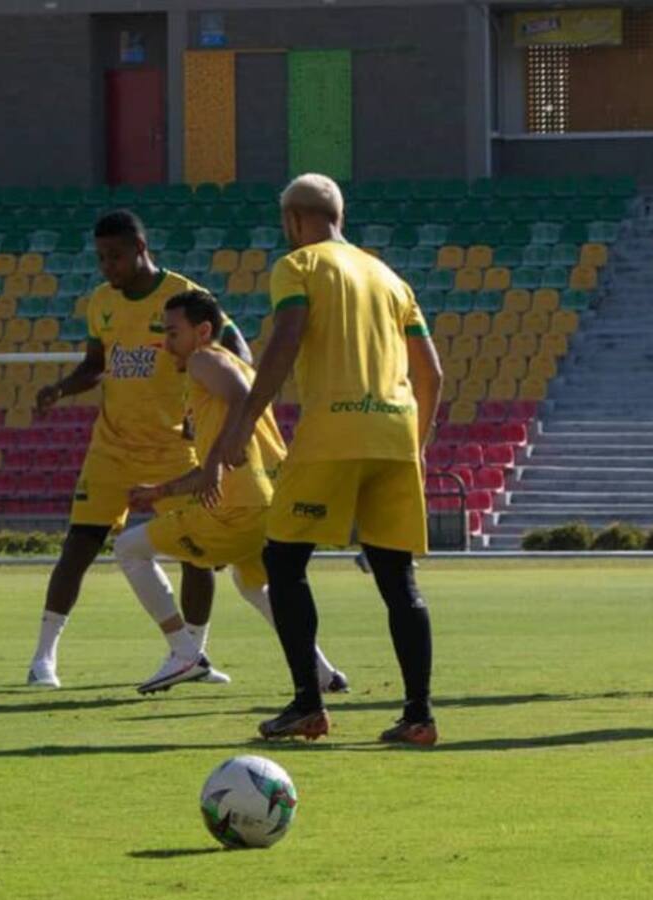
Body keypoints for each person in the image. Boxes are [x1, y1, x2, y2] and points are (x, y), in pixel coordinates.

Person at [219, 173, 444, 746]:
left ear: (294, 220)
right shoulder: (390, 277)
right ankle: (418, 715)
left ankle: (307, 706)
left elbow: (287, 339)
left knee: (285, 561)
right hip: (395, 434)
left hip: (333, 432)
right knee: (399, 580)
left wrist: (243, 418)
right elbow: (433, 373)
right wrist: (415, 443)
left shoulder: (297, 267)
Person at [27, 209, 251, 688]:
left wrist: (207, 409)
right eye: (102, 257)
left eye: (116, 256)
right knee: (80, 545)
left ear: (141, 249)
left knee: (197, 552)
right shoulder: (101, 303)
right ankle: (43, 658)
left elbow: (238, 351)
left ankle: (193, 653)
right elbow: (95, 364)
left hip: (174, 449)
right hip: (111, 448)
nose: (108, 266)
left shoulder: (185, 297)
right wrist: (62, 389)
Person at [114, 289, 347, 695]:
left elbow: (239, 405)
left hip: (238, 506)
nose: (166, 344)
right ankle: (324, 673)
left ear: (202, 331)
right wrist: (162, 491)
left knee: (129, 548)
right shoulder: (234, 365)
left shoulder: (205, 359)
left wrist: (213, 467)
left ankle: (184, 652)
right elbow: (229, 440)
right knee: (253, 586)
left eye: (172, 333)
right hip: (269, 501)